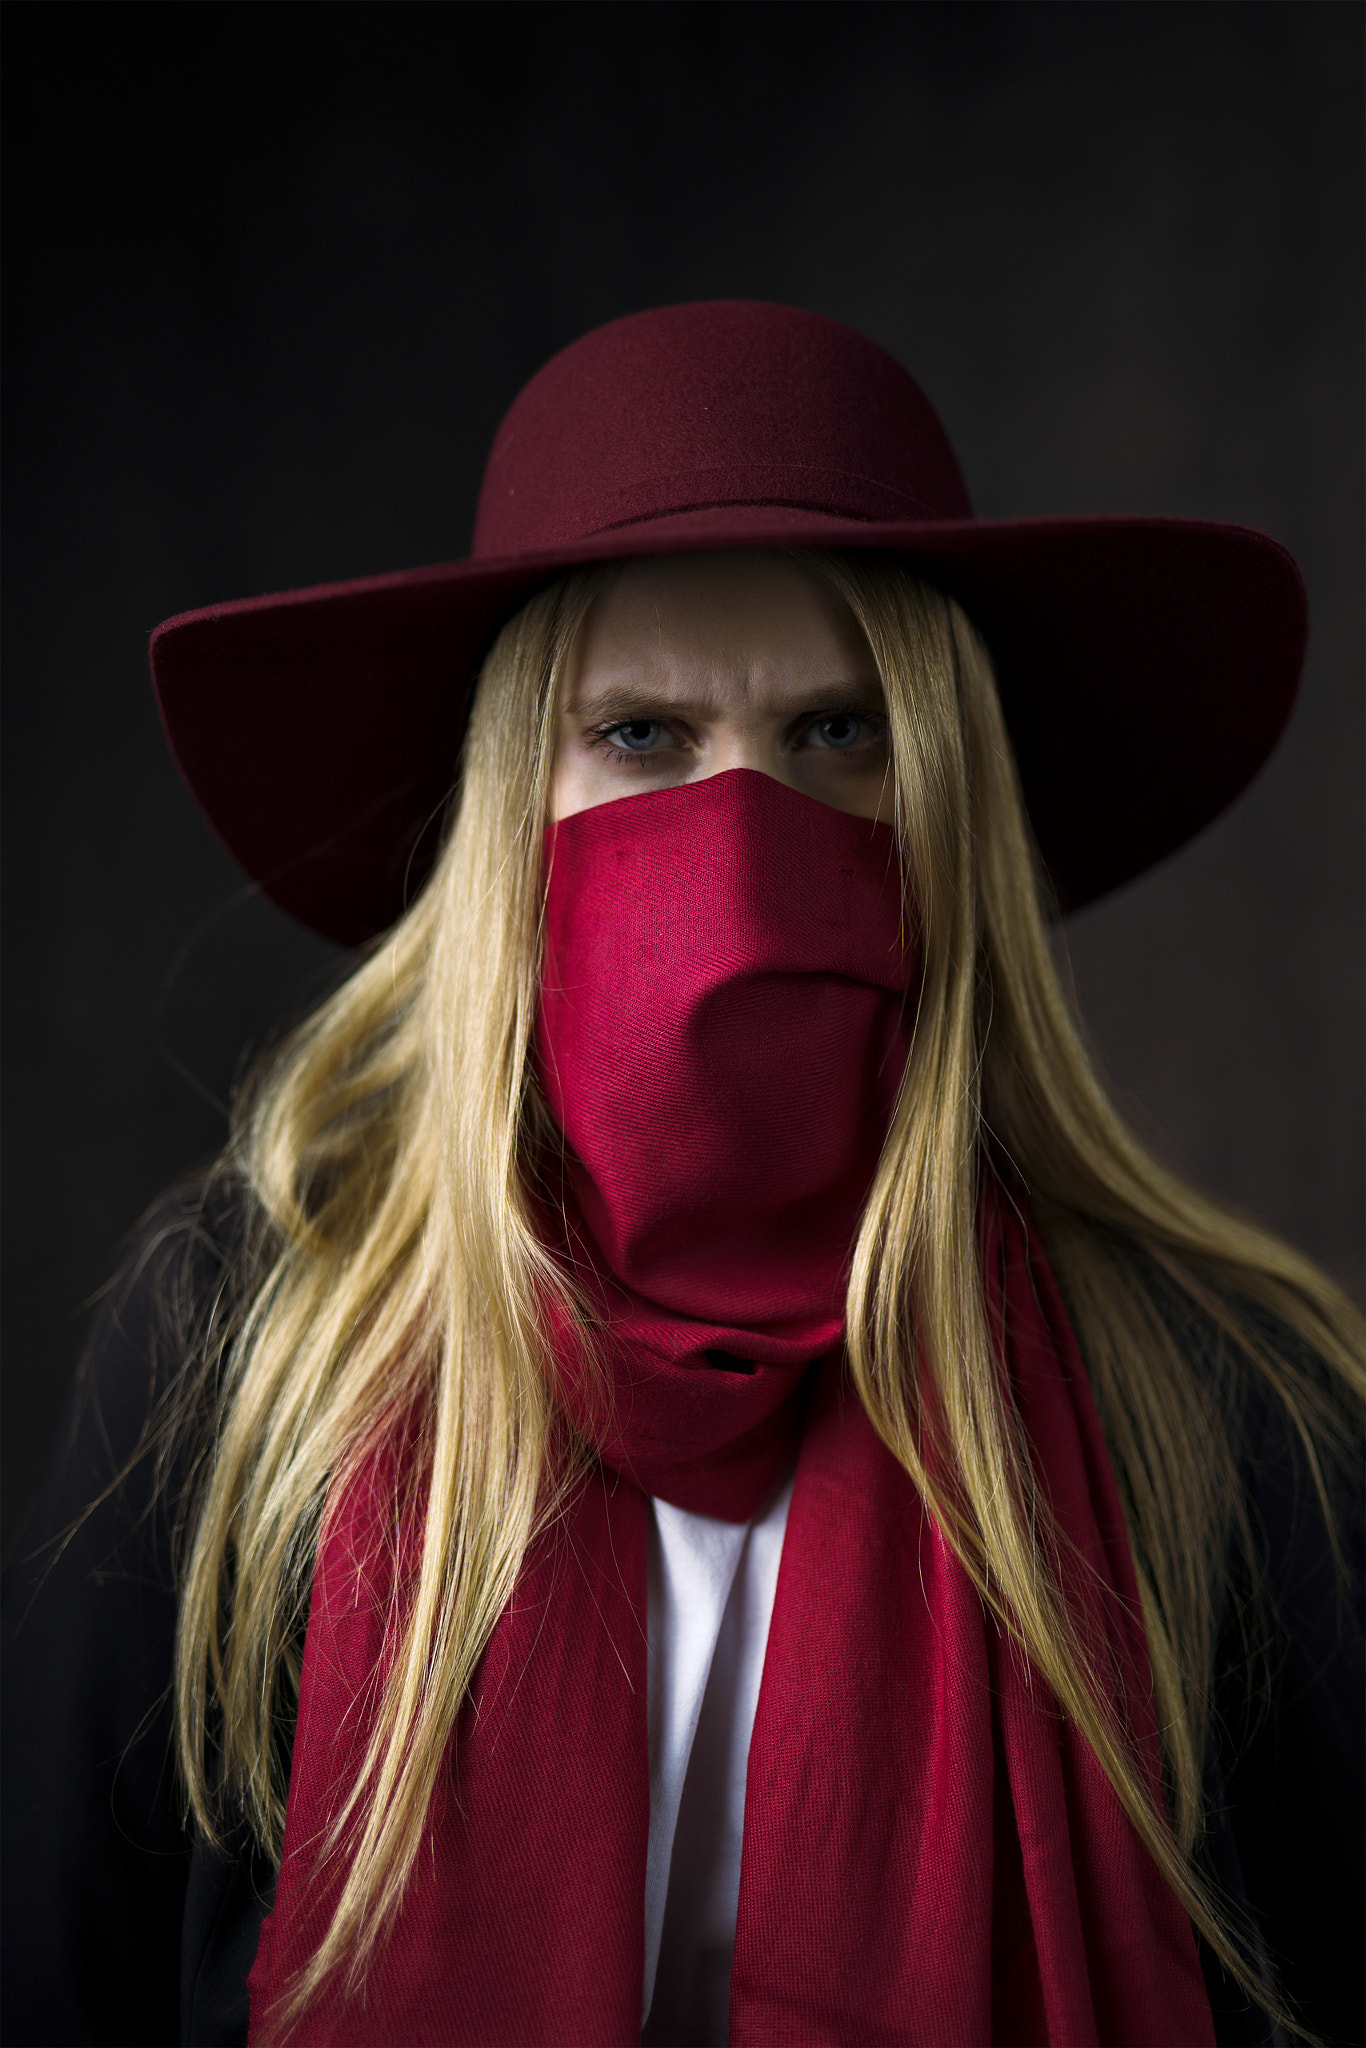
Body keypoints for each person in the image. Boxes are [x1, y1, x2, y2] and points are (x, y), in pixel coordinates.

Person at [3, 302, 1361, 2048]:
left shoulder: (1206, 1399)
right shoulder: (244, 1343)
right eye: (639, 735)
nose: (741, 828)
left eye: (836, 733)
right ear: (513, 809)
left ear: (943, 797)